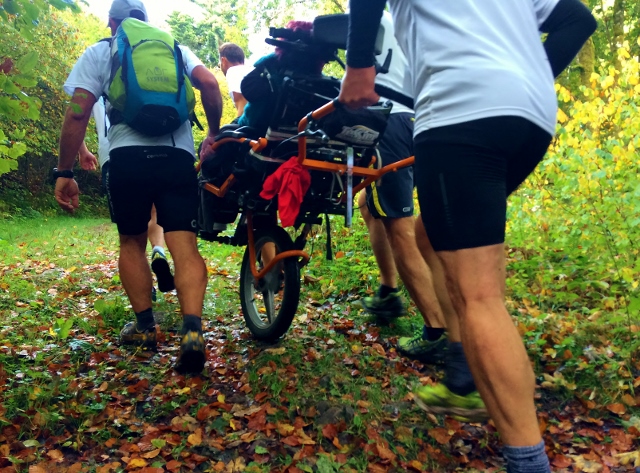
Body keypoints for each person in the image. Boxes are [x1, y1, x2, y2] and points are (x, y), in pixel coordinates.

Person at [339, 1, 596, 472]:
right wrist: (527, 76)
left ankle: (528, 460)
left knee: (479, 296)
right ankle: (462, 373)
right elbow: (578, 19)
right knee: (429, 235)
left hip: (460, 111)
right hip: (531, 114)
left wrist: (358, 66)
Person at [54, 0, 223, 374]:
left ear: (111, 22)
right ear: (146, 20)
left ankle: (145, 327)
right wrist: (213, 133)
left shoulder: (101, 51)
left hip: (126, 159)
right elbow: (210, 84)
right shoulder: (175, 48)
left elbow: (79, 110)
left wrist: (64, 170)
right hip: (177, 157)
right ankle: (193, 332)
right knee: (184, 244)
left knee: (131, 242)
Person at [358, 12, 451, 365]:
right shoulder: (417, 18)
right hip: (424, 118)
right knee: (369, 203)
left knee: (400, 227)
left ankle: (437, 330)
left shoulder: (370, 15)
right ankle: (388, 290)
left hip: (392, 120)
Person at [77, 98, 175, 296]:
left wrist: (82, 150)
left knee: (131, 233)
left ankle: (145, 287)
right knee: (154, 212)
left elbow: (77, 115)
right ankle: (159, 250)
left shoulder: (100, 81)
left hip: (115, 153)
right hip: (159, 148)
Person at [219, 43, 253, 118]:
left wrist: (239, 124)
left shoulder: (233, 71)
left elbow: (242, 103)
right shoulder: (250, 70)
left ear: (223, 61)